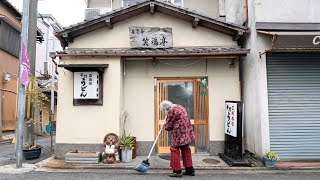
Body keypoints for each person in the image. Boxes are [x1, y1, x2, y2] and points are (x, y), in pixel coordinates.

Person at [160, 100, 195, 178]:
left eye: (164, 110)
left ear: (166, 108)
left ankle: (177, 171)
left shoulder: (171, 111)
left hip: (180, 133)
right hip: (187, 132)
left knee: (174, 149)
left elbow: (169, 125)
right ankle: (190, 170)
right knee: (185, 148)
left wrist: (164, 126)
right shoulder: (178, 106)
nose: (165, 112)